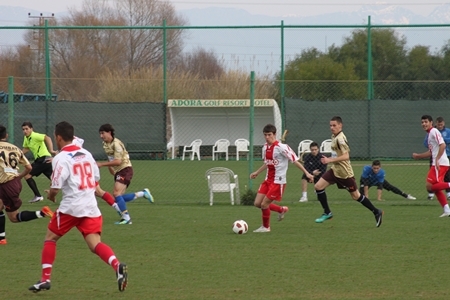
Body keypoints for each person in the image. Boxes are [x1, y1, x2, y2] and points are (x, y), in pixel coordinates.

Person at [28, 121, 128, 293]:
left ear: (58, 137)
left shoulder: (60, 158)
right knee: (94, 244)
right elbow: (95, 179)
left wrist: (51, 195)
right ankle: (117, 266)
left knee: (50, 238)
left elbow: (55, 187)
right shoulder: (87, 154)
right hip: (90, 206)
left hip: (71, 207)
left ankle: (45, 279)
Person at [314, 116, 383, 227]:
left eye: (334, 125)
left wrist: (330, 160)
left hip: (345, 174)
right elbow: (338, 154)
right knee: (318, 186)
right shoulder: (334, 136)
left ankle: (376, 211)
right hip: (335, 170)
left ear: (341, 125)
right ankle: (327, 212)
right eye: (330, 125)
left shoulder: (340, 139)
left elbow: (346, 156)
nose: (332, 127)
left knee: (356, 196)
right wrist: (329, 159)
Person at [250, 124, 314, 233]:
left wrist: (307, 173)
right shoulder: (265, 147)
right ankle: (281, 210)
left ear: (274, 134)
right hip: (268, 180)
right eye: (265, 135)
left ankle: (266, 227)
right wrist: (257, 172)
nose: (267, 137)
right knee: (257, 203)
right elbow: (267, 163)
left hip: (278, 181)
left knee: (264, 204)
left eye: (269, 135)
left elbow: (294, 161)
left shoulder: (282, 147)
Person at [0, 125, 53, 245]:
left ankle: (42, 213)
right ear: (6, 136)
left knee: (14, 217)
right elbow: (28, 167)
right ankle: (1, 238)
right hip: (13, 183)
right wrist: (19, 176)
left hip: (6, 185)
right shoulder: (15, 148)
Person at [72, 136, 149, 217]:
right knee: (117, 197)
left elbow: (116, 162)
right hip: (90, 177)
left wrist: (101, 167)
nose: (101, 136)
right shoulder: (85, 154)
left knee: (111, 194)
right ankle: (142, 194)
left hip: (121, 171)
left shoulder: (80, 154)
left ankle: (125, 215)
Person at [97, 124, 154, 225]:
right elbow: (110, 158)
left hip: (125, 169)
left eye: (103, 133)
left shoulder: (117, 144)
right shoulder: (105, 144)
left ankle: (126, 218)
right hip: (119, 171)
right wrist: (110, 168)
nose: (101, 136)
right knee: (119, 197)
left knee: (116, 193)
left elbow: (118, 161)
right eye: (100, 134)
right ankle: (143, 193)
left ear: (109, 132)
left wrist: (102, 164)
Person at [413, 115, 450, 217]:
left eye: (426, 122)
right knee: (434, 188)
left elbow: (443, 145)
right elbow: (431, 152)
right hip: (438, 163)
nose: (424, 124)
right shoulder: (429, 135)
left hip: (440, 163)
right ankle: (447, 210)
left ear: (431, 122)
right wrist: (419, 156)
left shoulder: (434, 131)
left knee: (430, 186)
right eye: (422, 122)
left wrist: (437, 159)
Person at [21, 121, 58, 203]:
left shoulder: (34, 135)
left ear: (31, 129)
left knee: (27, 175)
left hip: (43, 159)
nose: (25, 131)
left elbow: (47, 138)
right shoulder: (26, 138)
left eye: (27, 129)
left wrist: (51, 150)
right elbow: (26, 148)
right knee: (55, 180)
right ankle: (52, 195)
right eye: (23, 129)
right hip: (42, 160)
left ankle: (38, 196)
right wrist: (17, 155)